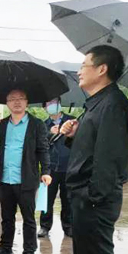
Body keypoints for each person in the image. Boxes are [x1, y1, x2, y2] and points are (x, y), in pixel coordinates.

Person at [59, 45, 128, 254]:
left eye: (84, 64)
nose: (79, 70)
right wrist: (73, 135)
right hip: (83, 193)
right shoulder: (97, 103)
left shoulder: (114, 104)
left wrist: (94, 195)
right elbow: (91, 147)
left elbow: (110, 157)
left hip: (94, 197)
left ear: (102, 69)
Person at [0, 89, 52, 254]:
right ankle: (6, 248)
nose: (17, 102)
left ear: (27, 102)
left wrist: (46, 171)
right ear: (7, 104)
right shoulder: (0, 125)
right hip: (5, 179)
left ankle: (29, 251)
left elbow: (43, 149)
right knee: (7, 218)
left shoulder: (36, 124)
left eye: (21, 98)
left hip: (26, 179)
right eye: (12, 99)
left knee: (29, 218)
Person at [37, 98, 75, 238]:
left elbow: (80, 139)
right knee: (46, 199)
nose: (52, 105)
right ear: (45, 107)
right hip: (50, 168)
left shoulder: (72, 121)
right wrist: (49, 133)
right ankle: (44, 226)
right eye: (49, 103)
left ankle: (69, 226)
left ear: (60, 103)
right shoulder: (42, 125)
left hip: (69, 167)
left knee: (68, 199)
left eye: (55, 102)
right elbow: (38, 144)